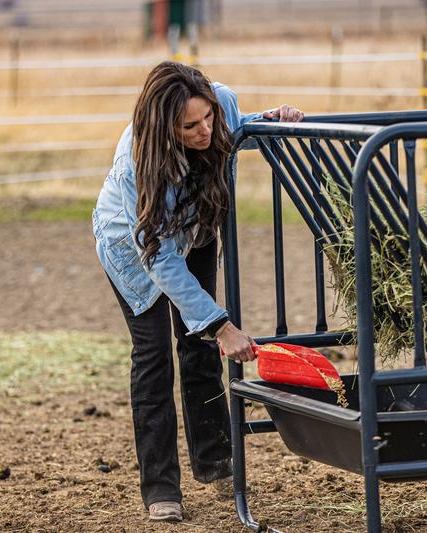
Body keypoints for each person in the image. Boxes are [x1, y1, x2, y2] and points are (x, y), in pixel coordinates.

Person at [92, 61, 303, 523]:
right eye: (190, 126)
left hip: (196, 227)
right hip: (137, 248)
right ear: (165, 128)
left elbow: (235, 127)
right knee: (154, 357)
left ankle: (214, 461)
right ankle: (161, 488)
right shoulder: (138, 165)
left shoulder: (220, 104)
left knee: (200, 345)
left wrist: (272, 119)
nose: (205, 129)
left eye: (207, 117)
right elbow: (158, 255)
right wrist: (222, 324)